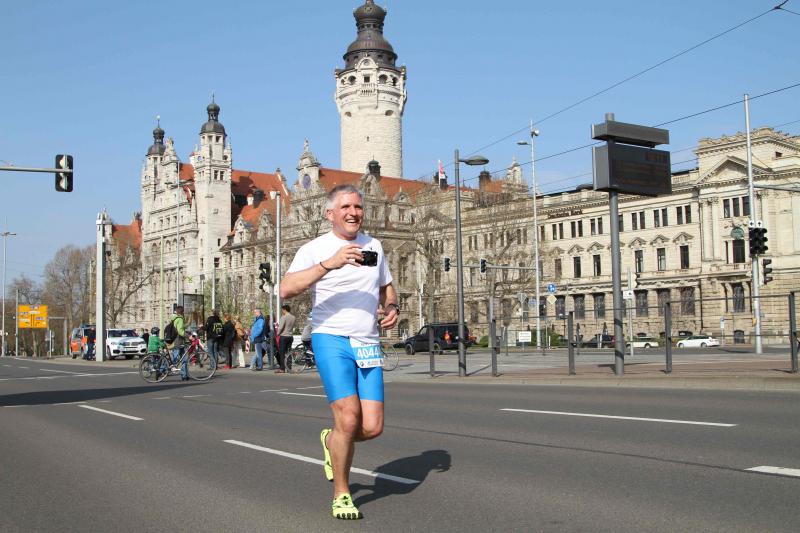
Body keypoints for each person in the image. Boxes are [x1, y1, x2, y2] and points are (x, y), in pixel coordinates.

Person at [280, 184, 399, 520]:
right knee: (348, 418)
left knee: (372, 427)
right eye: (346, 207)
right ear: (330, 213)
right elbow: (285, 289)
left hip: (367, 342)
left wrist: (392, 306)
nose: (353, 212)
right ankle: (342, 493)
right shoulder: (314, 248)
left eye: (357, 207)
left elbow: (387, 287)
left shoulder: (374, 245)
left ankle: (331, 440)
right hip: (330, 338)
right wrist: (328, 264)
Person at [167, 306, 189, 381]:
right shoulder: (179, 319)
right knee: (177, 359)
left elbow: (179, 328)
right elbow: (180, 331)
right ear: (182, 312)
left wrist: (186, 325)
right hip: (178, 341)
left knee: (182, 358)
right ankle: (161, 370)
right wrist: (188, 336)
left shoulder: (175, 318)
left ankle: (184, 375)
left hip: (178, 341)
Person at [275, 304, 296, 373]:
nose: (282, 311)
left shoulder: (284, 317)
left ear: (284, 310)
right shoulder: (293, 317)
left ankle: (282, 368)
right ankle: (289, 368)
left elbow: (280, 327)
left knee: (282, 353)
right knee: (289, 352)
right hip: (290, 336)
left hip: (284, 336)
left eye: (282, 310)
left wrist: (277, 334)